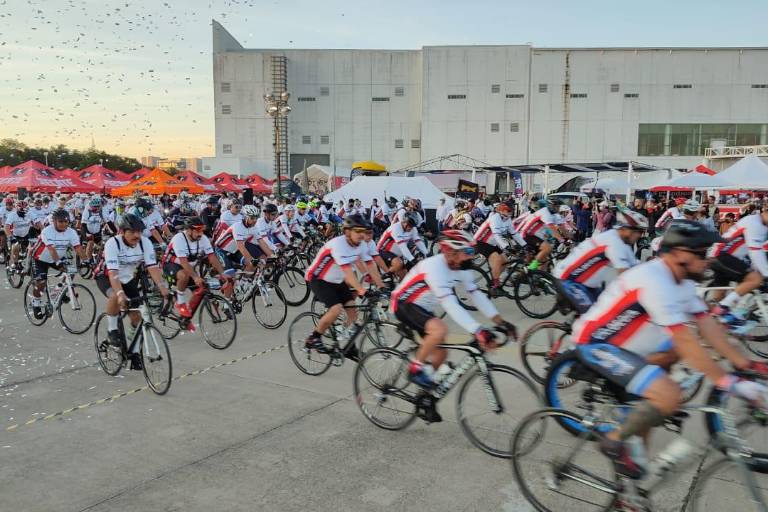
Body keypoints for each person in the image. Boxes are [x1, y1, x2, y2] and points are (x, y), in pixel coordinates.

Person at [570, 220, 767, 479]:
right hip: (598, 344)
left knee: (663, 393)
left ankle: (630, 491)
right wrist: (728, 382)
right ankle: (613, 440)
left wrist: (744, 365)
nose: (708, 260)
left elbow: (707, 324)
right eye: (702, 254)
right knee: (668, 394)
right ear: (679, 254)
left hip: (634, 343)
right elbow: (685, 340)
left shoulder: (682, 281)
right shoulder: (654, 280)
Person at [391, 230, 516, 420]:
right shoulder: (434, 267)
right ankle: (415, 369)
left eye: (472, 251)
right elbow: (450, 304)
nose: (471, 256)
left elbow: (476, 294)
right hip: (403, 303)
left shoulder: (461, 267)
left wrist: (501, 321)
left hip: (423, 308)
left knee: (441, 355)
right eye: (467, 251)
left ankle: (425, 400)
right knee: (440, 330)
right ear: (450, 252)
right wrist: (478, 330)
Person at [303, 215, 385, 359]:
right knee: (336, 309)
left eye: (363, 231)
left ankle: (349, 347)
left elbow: (370, 264)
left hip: (337, 280)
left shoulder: (361, 245)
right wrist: (361, 290)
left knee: (353, 313)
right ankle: (313, 338)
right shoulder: (338, 245)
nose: (361, 234)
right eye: (357, 231)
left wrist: (382, 286)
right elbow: (348, 272)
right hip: (318, 279)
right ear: (347, 231)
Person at [95, 214, 169, 369]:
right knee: (116, 296)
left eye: (139, 231)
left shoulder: (145, 242)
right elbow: (113, 273)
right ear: (122, 231)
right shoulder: (113, 243)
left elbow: (152, 267)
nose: (137, 235)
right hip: (106, 276)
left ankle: (134, 353)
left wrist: (163, 288)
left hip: (128, 279)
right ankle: (112, 329)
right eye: (133, 231)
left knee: (137, 317)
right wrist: (121, 294)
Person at [554, 209, 647, 312]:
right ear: (625, 229)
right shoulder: (614, 242)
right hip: (568, 279)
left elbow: (634, 265)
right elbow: (624, 274)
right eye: (638, 231)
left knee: (607, 308)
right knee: (595, 315)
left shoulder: (622, 242)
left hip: (587, 285)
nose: (640, 235)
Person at [708, 205, 768, 329]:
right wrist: (765, 273)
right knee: (755, 279)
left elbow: (757, 252)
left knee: (720, 295)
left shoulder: (762, 225)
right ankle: (723, 309)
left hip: (724, 255)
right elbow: (756, 251)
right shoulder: (754, 223)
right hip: (722, 255)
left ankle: (711, 325)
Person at [162, 216, 231, 316]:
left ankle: (186, 317)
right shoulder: (178, 239)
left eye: (202, 230)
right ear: (189, 230)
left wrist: (222, 273)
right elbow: (183, 262)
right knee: (185, 275)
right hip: (171, 264)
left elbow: (212, 257)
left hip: (188, 266)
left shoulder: (203, 238)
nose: (201, 233)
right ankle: (180, 302)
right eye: (197, 230)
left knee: (201, 290)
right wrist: (195, 277)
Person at [29, 209, 87, 319]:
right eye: (61, 221)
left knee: (71, 271)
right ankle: (35, 301)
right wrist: (58, 263)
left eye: (66, 221)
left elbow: (78, 248)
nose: (64, 224)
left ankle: (60, 290)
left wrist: (87, 260)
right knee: (41, 282)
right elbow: (51, 249)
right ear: (54, 221)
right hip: (40, 259)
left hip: (57, 257)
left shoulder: (71, 232)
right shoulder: (47, 231)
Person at [473, 202, 527, 297]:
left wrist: (524, 245)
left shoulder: (507, 219)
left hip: (492, 243)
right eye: (508, 211)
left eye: (511, 211)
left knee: (505, 261)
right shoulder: (495, 218)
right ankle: (496, 287)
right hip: (481, 241)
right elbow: (496, 235)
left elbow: (514, 233)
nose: (510, 213)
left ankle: (493, 281)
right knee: (497, 260)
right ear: (501, 210)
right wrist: (506, 247)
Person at [214, 205, 273, 272]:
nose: (255, 220)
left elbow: (261, 242)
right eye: (252, 218)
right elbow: (240, 245)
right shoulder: (237, 227)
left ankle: (244, 278)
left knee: (252, 266)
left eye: (256, 218)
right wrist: (251, 260)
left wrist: (272, 255)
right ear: (245, 217)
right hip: (222, 250)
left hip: (234, 251)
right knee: (229, 274)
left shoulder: (253, 227)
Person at [376, 212, 428, 278]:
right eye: (409, 225)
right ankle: (384, 278)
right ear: (404, 222)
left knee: (404, 278)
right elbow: (402, 247)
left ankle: (390, 277)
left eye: (412, 226)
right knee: (399, 263)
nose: (411, 228)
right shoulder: (395, 228)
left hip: (396, 254)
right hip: (383, 251)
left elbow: (418, 242)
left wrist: (427, 253)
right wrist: (412, 259)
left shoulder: (413, 229)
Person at [518, 198, 566, 270]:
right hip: (526, 234)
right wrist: (562, 240)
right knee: (547, 248)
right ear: (551, 206)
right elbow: (552, 228)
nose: (558, 209)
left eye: (559, 207)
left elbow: (561, 227)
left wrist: (571, 238)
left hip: (533, 235)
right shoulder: (545, 213)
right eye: (557, 207)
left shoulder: (552, 214)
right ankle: (530, 269)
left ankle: (538, 275)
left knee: (545, 260)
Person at [5, 199, 33, 268]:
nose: (23, 211)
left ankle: (27, 262)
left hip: (26, 235)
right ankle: (15, 262)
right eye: (21, 209)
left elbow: (36, 224)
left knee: (31, 248)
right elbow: (6, 226)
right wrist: (10, 236)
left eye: (24, 209)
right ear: (16, 208)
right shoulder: (12, 215)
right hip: (16, 235)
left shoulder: (29, 214)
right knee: (16, 246)